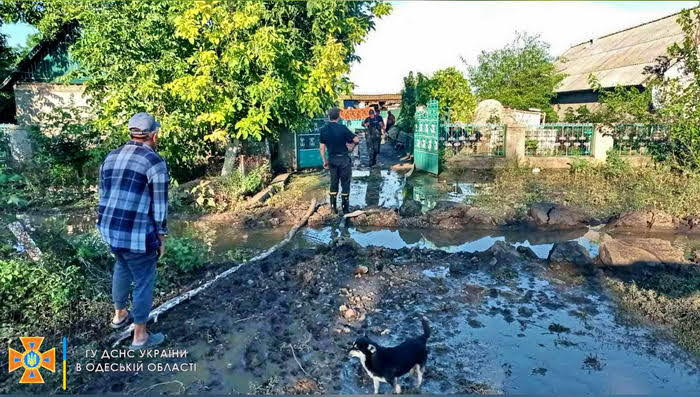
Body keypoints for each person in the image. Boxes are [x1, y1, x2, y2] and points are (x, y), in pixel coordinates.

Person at [97, 112, 169, 349]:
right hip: (137, 235)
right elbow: (159, 206)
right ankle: (140, 336)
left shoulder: (110, 157)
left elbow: (103, 195)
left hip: (110, 231)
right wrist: (161, 238)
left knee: (121, 266)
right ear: (154, 135)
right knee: (144, 280)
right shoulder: (154, 162)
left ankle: (119, 315)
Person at [319, 107, 360, 214]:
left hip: (332, 160)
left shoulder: (323, 130)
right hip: (344, 160)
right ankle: (345, 208)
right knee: (345, 183)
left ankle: (333, 208)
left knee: (333, 182)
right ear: (338, 116)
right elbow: (356, 139)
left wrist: (324, 161)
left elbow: (322, 148)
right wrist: (352, 146)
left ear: (329, 116)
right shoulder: (343, 128)